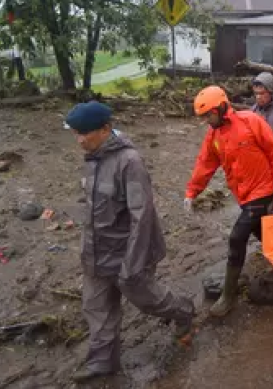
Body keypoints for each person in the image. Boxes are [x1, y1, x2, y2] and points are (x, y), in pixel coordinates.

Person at [66, 101, 194, 383]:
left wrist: (133, 263)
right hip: (96, 253)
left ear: (105, 129)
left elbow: (142, 215)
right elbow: (93, 206)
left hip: (127, 253)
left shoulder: (129, 162)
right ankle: (102, 362)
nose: (79, 140)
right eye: (75, 133)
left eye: (84, 133)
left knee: (148, 301)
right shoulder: (92, 158)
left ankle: (184, 311)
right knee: (97, 308)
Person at [184, 86, 273, 317]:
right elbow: (205, 165)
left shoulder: (250, 121)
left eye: (208, 115)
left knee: (237, 237)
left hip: (263, 190)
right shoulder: (213, 136)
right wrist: (192, 192)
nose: (206, 121)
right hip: (243, 194)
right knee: (264, 233)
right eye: (203, 117)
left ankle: (228, 296)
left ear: (220, 108)